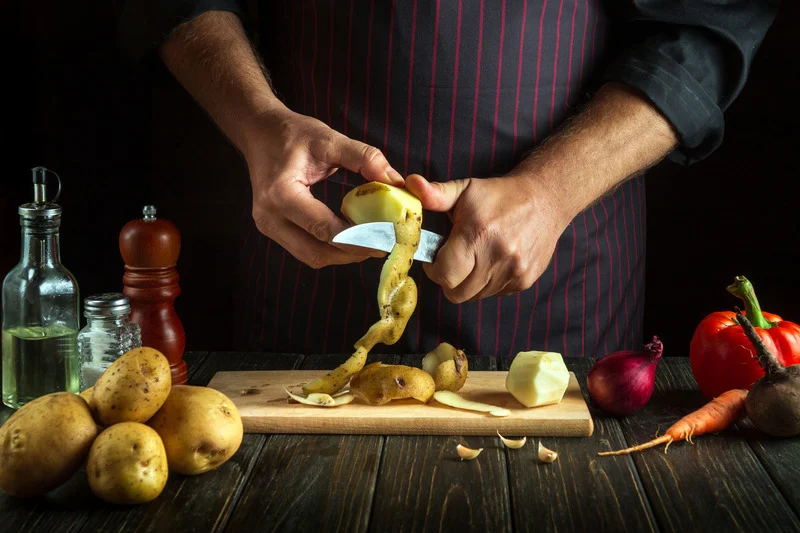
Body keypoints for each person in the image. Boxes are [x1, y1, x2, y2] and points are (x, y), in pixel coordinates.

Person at [117, 1, 777, 359]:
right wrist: (259, 121)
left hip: (560, 300)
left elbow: (707, 21)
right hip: (309, 283)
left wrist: (552, 190)